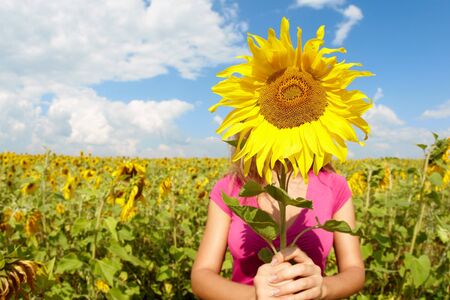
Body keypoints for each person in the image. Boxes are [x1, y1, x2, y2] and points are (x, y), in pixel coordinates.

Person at [191, 159, 364, 299]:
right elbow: (201, 276)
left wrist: (322, 289)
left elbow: (355, 270)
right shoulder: (231, 186)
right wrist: (256, 296)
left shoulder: (333, 185)